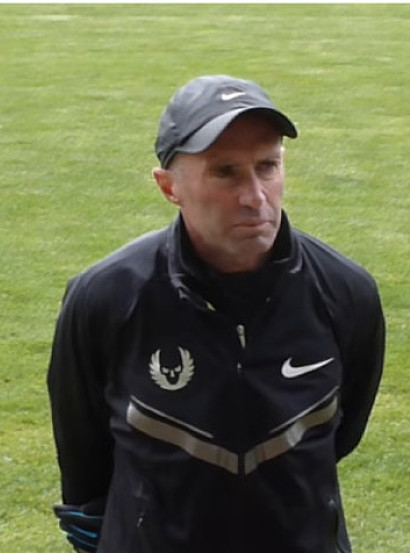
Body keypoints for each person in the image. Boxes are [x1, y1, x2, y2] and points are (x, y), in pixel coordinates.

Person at [47, 75, 386, 553]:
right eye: (225, 172)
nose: (255, 197)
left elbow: (340, 435)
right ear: (169, 187)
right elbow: (84, 465)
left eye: (267, 166)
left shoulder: (345, 292)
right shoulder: (106, 298)